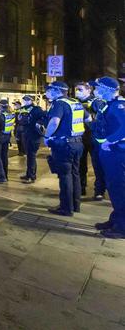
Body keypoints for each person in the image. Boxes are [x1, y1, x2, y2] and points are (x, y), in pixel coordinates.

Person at [42, 81, 90, 217]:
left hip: (64, 145)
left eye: (49, 90)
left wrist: (47, 136)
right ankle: (75, 205)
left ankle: (65, 208)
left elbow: (54, 121)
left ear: (57, 91)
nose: (47, 92)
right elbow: (88, 118)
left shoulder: (59, 103)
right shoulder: (75, 102)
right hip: (77, 143)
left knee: (65, 176)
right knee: (75, 174)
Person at [91, 76, 125, 238]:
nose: (95, 90)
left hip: (117, 152)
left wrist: (108, 142)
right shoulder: (110, 105)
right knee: (113, 187)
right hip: (112, 152)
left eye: (98, 87)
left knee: (119, 188)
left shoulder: (119, 106)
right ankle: (116, 220)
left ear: (108, 89)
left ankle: (122, 227)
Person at [75, 82, 106, 199]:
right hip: (80, 137)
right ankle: (81, 188)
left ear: (89, 90)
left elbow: (101, 117)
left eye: (80, 89)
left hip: (93, 137)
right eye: (77, 89)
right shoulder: (75, 102)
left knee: (97, 165)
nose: (77, 91)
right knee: (80, 165)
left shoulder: (96, 101)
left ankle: (99, 191)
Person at [19, 95, 46, 184]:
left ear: (32, 101)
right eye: (24, 100)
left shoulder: (36, 109)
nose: (25, 101)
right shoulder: (22, 109)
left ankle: (32, 176)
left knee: (31, 156)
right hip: (25, 134)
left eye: (27, 100)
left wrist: (38, 124)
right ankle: (28, 174)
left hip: (34, 135)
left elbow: (45, 118)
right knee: (29, 156)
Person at [0, 99, 14, 184]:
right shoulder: (11, 114)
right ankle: (5, 175)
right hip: (7, 136)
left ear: (0, 106)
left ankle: (1, 177)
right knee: (4, 156)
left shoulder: (0, 116)